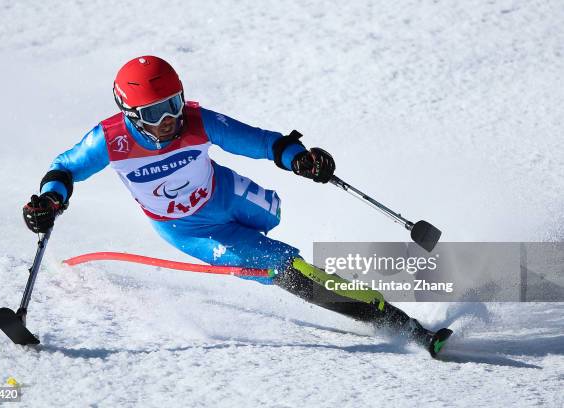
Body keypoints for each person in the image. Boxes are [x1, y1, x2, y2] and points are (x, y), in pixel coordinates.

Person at [23, 55, 442, 353]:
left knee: (275, 214)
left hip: (225, 192)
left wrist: (300, 158)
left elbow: (259, 141)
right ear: (129, 113)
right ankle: (401, 324)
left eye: (172, 105)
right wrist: (49, 200)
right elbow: (65, 169)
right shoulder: (109, 140)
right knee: (285, 267)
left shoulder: (196, 120)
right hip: (194, 230)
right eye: (153, 113)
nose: (168, 120)